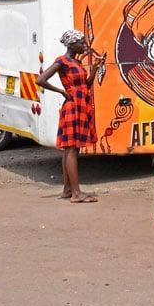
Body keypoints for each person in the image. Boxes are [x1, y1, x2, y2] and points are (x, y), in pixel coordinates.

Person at [37, 30, 104, 204]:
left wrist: (95, 69)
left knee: (70, 150)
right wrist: (61, 91)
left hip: (81, 106)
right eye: (81, 43)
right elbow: (41, 80)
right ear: (72, 44)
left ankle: (68, 190)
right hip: (73, 107)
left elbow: (85, 85)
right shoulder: (62, 61)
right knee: (72, 150)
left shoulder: (76, 62)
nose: (84, 46)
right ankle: (76, 193)